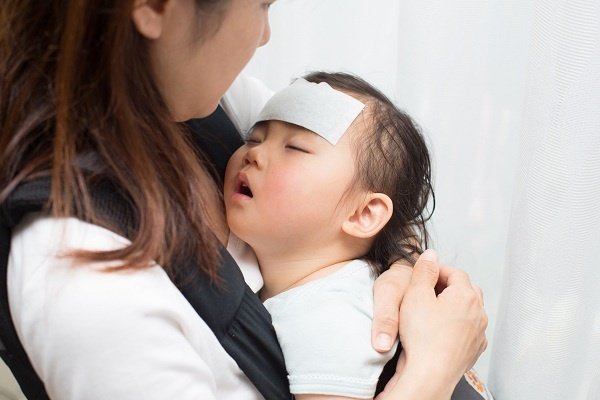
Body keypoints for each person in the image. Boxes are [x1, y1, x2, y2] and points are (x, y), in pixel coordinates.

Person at [0, 1, 488, 399]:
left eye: (293, 147)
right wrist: (433, 370)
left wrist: (397, 267)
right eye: (262, 5)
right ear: (155, 6)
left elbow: (366, 176)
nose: (264, 37)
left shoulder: (206, 98)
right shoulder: (83, 277)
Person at [224, 72, 493, 400]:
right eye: (253, 138)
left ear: (364, 215)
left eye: (294, 148)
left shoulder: (328, 316)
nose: (253, 153)